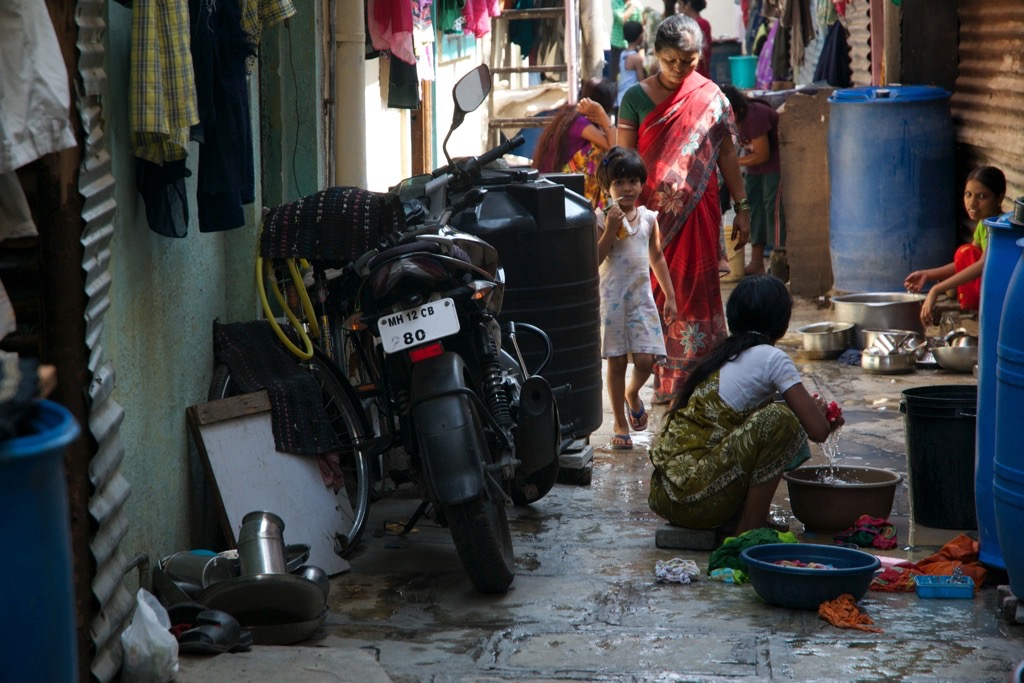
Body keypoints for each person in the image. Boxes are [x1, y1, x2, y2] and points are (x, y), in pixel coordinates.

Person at [615, 13, 752, 404]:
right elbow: (625, 158)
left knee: (697, 291)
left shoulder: (711, 96)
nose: (678, 69)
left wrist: (743, 208)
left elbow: (727, 153)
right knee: (656, 294)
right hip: (652, 218)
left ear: (699, 57)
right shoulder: (636, 98)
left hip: (699, 211)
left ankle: (700, 378)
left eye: (687, 61)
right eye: (670, 60)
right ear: (655, 54)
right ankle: (664, 378)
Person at [648, 274, 845, 535]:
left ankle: (746, 517)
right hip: (692, 500)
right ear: (782, 323)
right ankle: (750, 528)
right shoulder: (772, 358)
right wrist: (822, 418)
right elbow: (818, 431)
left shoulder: (725, 354)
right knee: (781, 421)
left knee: (778, 417)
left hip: (667, 496)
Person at [595, 147, 678, 450]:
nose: (627, 188)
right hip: (613, 301)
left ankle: (632, 394)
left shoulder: (648, 219)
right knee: (616, 362)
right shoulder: (602, 218)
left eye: (632, 181)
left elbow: (656, 256)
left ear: (642, 184)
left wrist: (669, 294)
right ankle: (619, 422)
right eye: (619, 182)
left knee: (646, 359)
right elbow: (595, 258)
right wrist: (611, 228)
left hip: (641, 299)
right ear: (607, 187)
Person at [904, 166, 1007, 327]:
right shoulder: (984, 225)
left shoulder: (1000, 226)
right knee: (964, 253)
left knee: (964, 252)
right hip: (993, 289)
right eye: (968, 194)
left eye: (982, 196)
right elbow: (964, 263)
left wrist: (936, 289)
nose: (972, 203)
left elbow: (982, 265)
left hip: (1002, 294)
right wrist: (927, 275)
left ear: (999, 199)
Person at [721, 84, 784, 276]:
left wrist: (731, 163)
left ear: (738, 110)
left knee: (772, 210)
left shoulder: (754, 117)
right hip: (754, 169)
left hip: (774, 167)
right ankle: (757, 262)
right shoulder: (729, 120)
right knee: (754, 211)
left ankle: (780, 262)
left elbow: (762, 155)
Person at [531, 78, 618, 209]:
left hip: (558, 182)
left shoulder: (579, 118)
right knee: (601, 155)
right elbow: (615, 146)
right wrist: (601, 113)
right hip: (556, 186)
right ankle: (598, 210)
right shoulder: (580, 122)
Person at [674, 0, 712, 78]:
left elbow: (704, 54)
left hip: (698, 73)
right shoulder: (685, 23)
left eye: (680, 4)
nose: (678, 7)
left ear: (688, 5)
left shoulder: (701, 24)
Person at [610, 0, 645, 82]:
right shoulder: (616, 2)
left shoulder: (638, 4)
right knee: (615, 74)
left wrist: (641, 46)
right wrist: (633, 6)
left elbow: (640, 23)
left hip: (633, 44)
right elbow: (622, 18)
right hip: (618, 44)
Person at [616, 21, 647, 112]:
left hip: (620, 98)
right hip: (631, 100)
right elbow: (642, 81)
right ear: (639, 36)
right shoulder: (636, 58)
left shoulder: (623, 54)